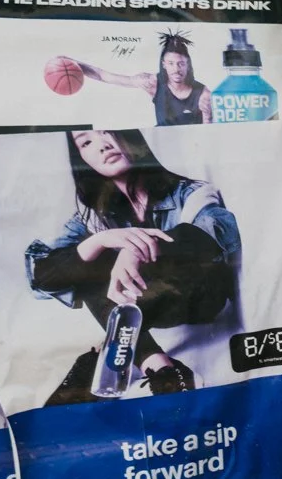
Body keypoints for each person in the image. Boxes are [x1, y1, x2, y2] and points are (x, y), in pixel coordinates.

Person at [27, 128, 239, 400]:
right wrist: (101, 239)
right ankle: (162, 368)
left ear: (132, 137)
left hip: (199, 300)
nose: (103, 146)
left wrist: (136, 248)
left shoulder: (189, 192)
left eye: (109, 133)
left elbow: (217, 234)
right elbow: (42, 276)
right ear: (81, 158)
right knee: (87, 258)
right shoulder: (91, 217)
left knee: (102, 263)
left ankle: (104, 355)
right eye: (87, 142)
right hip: (145, 309)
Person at [64, 31, 212, 125]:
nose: (176, 69)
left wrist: (207, 116)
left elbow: (209, 135)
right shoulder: (153, 83)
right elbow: (105, 76)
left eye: (181, 64)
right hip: (163, 146)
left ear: (188, 64)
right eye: (171, 63)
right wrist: (73, 64)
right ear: (164, 64)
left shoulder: (203, 93)